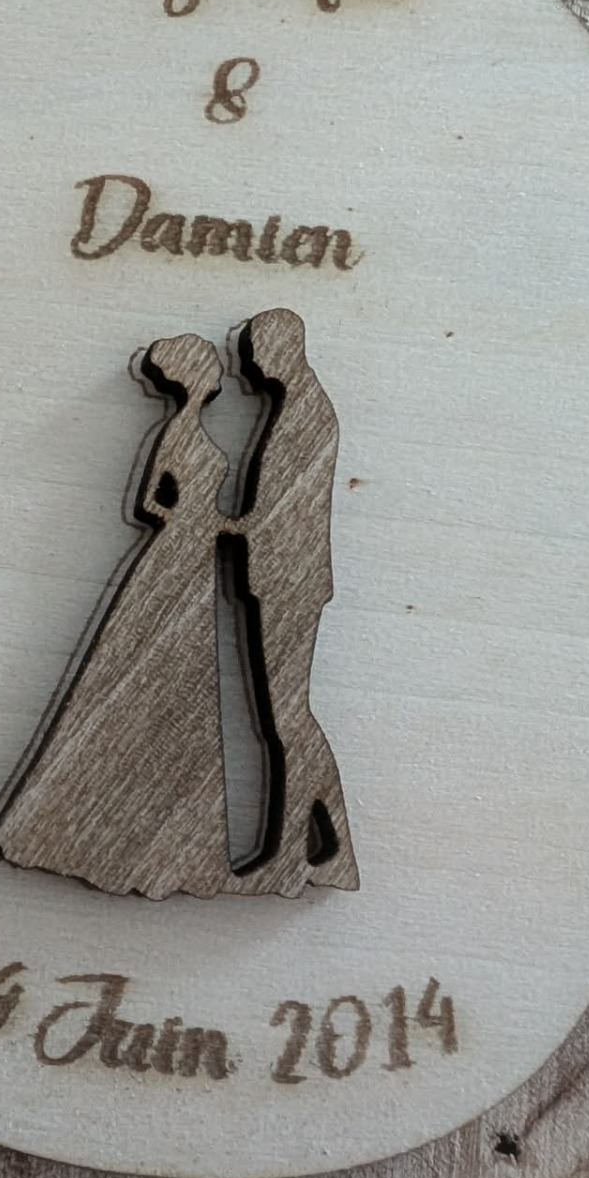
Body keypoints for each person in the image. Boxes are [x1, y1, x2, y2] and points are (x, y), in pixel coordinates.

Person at [0, 334, 233, 898]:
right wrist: (201, 522)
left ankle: (169, 839)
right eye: (209, 369)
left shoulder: (193, 430)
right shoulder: (177, 432)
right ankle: (90, 829)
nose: (217, 377)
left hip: (196, 562)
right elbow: (152, 503)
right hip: (174, 561)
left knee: (184, 688)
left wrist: (216, 526)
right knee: (144, 678)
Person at [228, 309, 359, 895]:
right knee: (285, 718)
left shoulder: (306, 412)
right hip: (280, 576)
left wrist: (232, 528)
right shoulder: (293, 407)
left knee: (286, 718)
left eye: (259, 350)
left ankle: (308, 849)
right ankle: (325, 850)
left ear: (284, 347)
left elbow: (291, 512)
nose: (252, 363)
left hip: (289, 581)